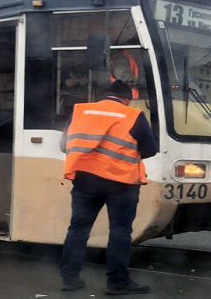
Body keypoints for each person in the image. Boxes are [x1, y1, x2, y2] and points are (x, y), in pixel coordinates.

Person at [59, 80, 158, 295]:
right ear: (126, 98)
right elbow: (151, 149)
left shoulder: (80, 112)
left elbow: (63, 145)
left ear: (103, 95)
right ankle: (117, 282)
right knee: (120, 232)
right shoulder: (132, 115)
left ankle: (70, 278)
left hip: (85, 181)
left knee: (78, 229)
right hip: (120, 183)